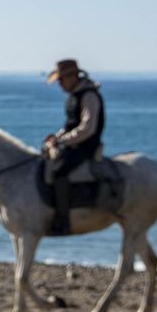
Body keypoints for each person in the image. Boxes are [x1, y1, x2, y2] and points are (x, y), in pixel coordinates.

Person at [41, 58, 105, 235]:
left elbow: (87, 128)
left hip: (86, 147)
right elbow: (70, 125)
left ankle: (63, 219)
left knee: (59, 172)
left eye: (61, 80)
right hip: (73, 145)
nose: (60, 84)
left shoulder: (89, 96)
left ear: (72, 77)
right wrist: (57, 137)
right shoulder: (75, 96)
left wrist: (61, 141)